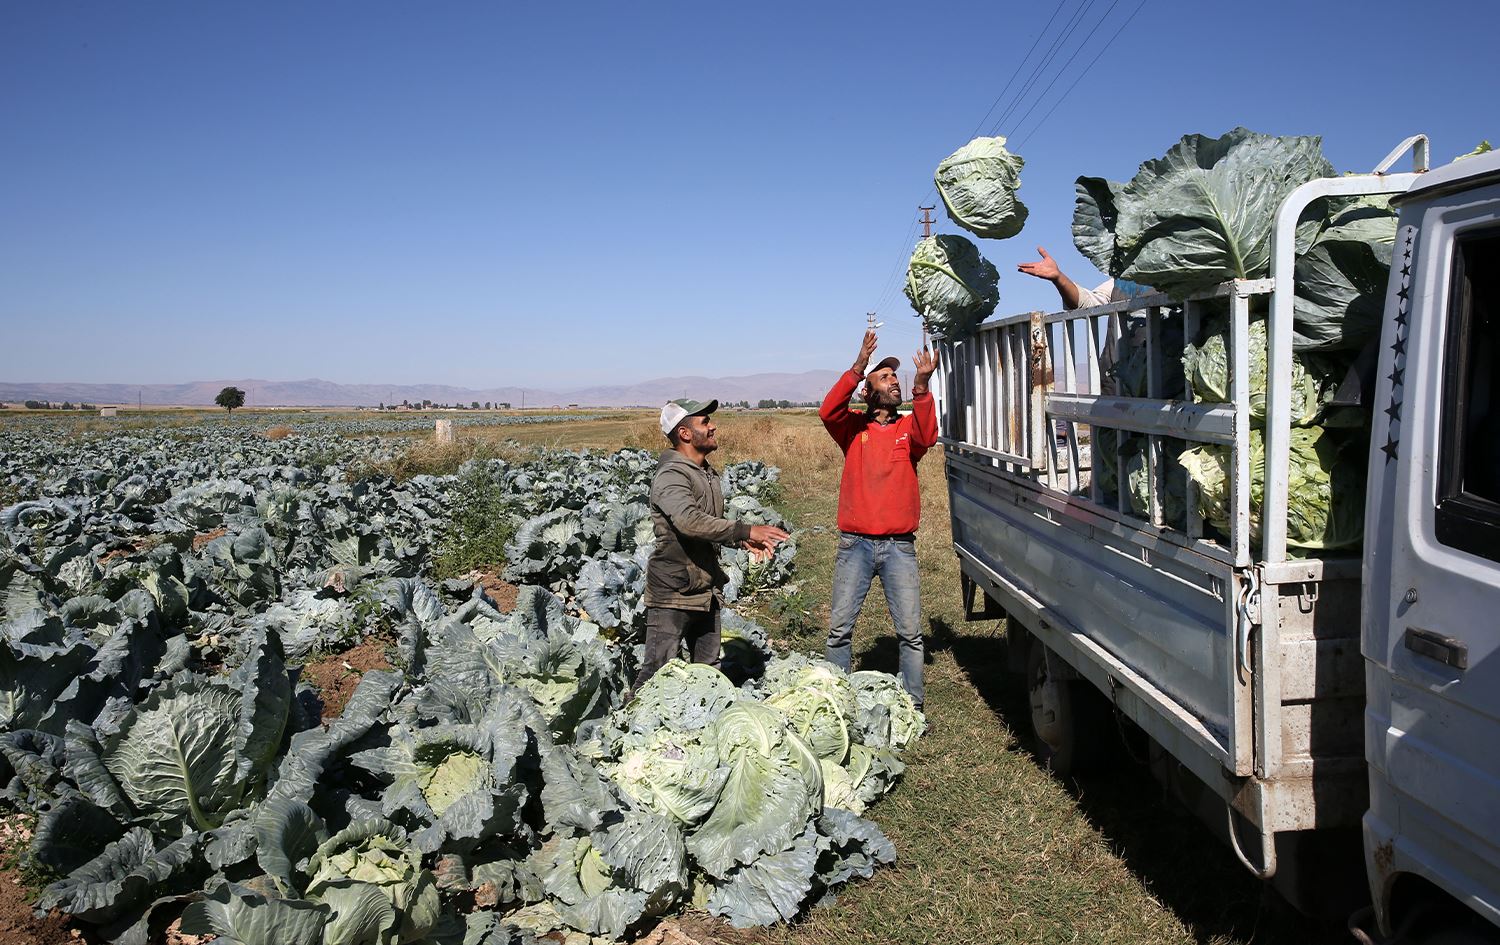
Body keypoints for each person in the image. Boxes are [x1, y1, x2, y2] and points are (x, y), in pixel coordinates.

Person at [819, 331, 939, 709]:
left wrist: (922, 387)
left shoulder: (907, 430)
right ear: (868, 393)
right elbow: (828, 411)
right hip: (855, 544)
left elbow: (928, 435)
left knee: (911, 635)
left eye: (895, 377)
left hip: (899, 547)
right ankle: (837, 707)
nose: (893, 381)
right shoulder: (853, 429)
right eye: (884, 377)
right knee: (840, 632)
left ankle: (913, 708)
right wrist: (858, 366)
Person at [635, 398, 788, 693]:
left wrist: (741, 540)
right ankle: (629, 720)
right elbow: (689, 522)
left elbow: (707, 525)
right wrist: (745, 529)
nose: (713, 426)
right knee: (655, 675)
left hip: (705, 589)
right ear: (685, 433)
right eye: (704, 422)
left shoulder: (704, 472)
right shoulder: (672, 475)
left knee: (709, 676)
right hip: (673, 593)